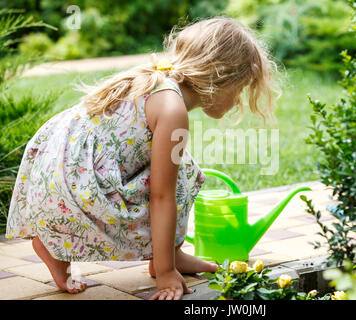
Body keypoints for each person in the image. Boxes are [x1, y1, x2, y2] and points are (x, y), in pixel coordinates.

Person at [5, 16, 279, 300]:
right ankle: (56, 247)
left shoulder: (158, 80)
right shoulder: (173, 110)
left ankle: (170, 252)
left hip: (54, 177)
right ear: (221, 78)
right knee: (173, 180)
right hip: (73, 193)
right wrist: (165, 273)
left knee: (180, 167)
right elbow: (161, 197)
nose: (238, 101)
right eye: (240, 89)